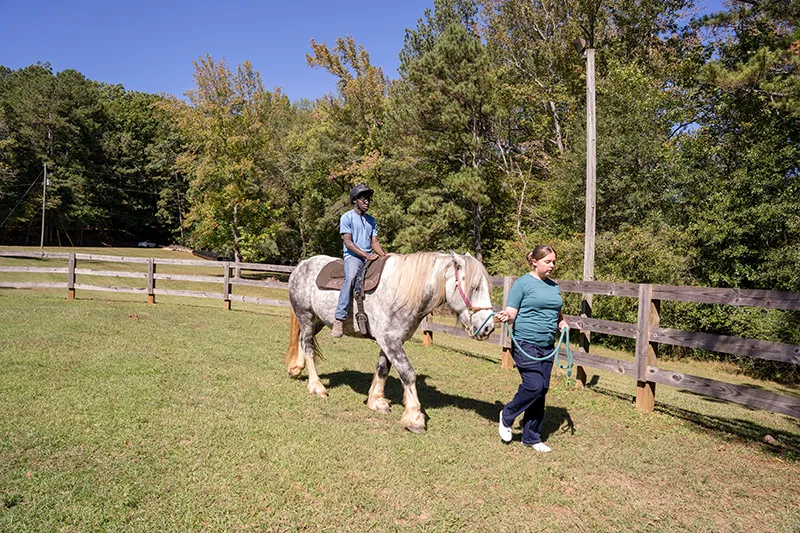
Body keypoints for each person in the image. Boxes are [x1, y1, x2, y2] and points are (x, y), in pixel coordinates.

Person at [495, 245, 568, 452]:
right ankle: (507, 415)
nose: (552, 265)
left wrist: (562, 323)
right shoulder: (522, 284)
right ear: (534, 262)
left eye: (553, 262)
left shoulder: (553, 286)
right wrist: (507, 316)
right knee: (534, 385)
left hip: (547, 345)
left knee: (542, 390)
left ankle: (532, 437)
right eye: (547, 261)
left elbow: (556, 311)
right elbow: (512, 311)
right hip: (526, 343)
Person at [332, 183, 387, 338]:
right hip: (353, 257)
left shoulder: (371, 220)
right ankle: (339, 318)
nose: (367, 201)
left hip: (369, 256)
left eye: (368, 199)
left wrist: (384, 256)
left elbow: (375, 242)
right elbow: (348, 242)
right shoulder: (346, 217)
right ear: (355, 200)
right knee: (350, 278)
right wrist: (366, 255)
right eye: (363, 199)